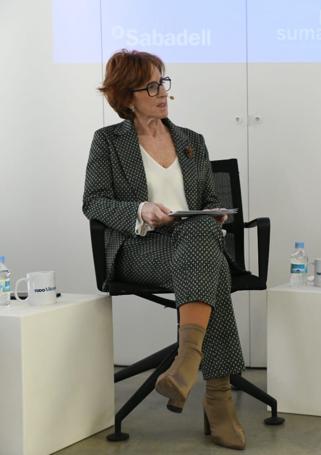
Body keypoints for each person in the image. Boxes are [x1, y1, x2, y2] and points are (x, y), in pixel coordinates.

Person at [83, 49, 246, 450]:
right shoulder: (107, 142)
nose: (162, 92)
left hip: (194, 244)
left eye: (163, 82)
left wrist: (213, 213)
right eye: (151, 86)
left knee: (201, 234)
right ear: (126, 95)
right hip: (141, 249)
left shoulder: (192, 141)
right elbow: (94, 201)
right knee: (211, 266)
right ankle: (217, 397)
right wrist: (140, 209)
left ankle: (187, 363)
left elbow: (208, 198)